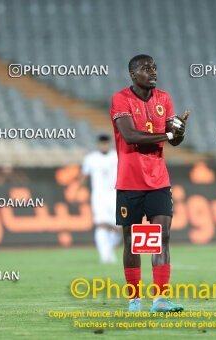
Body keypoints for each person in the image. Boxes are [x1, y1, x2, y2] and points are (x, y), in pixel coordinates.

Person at [110, 54, 190, 312]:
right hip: (130, 181)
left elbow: (173, 139)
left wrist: (179, 133)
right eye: (147, 68)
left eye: (154, 67)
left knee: (162, 236)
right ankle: (134, 299)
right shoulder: (120, 99)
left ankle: (160, 299)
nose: (153, 71)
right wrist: (168, 134)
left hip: (158, 180)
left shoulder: (163, 98)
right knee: (133, 240)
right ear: (133, 74)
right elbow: (130, 135)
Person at [78, 134, 122, 264]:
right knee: (101, 224)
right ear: (98, 144)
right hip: (99, 196)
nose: (104, 145)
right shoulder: (91, 158)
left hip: (115, 194)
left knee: (119, 226)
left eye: (106, 143)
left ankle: (109, 250)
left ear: (109, 143)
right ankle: (105, 256)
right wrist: (78, 189)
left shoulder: (117, 156)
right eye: (101, 143)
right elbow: (84, 176)